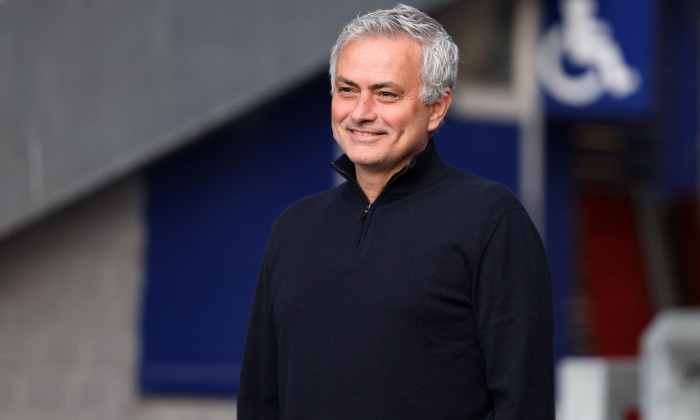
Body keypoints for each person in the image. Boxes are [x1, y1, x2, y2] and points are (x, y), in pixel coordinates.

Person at [238, 4, 554, 419]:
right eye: (347, 90)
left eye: (386, 94)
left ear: (436, 109)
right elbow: (260, 399)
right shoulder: (294, 227)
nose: (361, 112)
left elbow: (523, 403)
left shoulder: (491, 223)